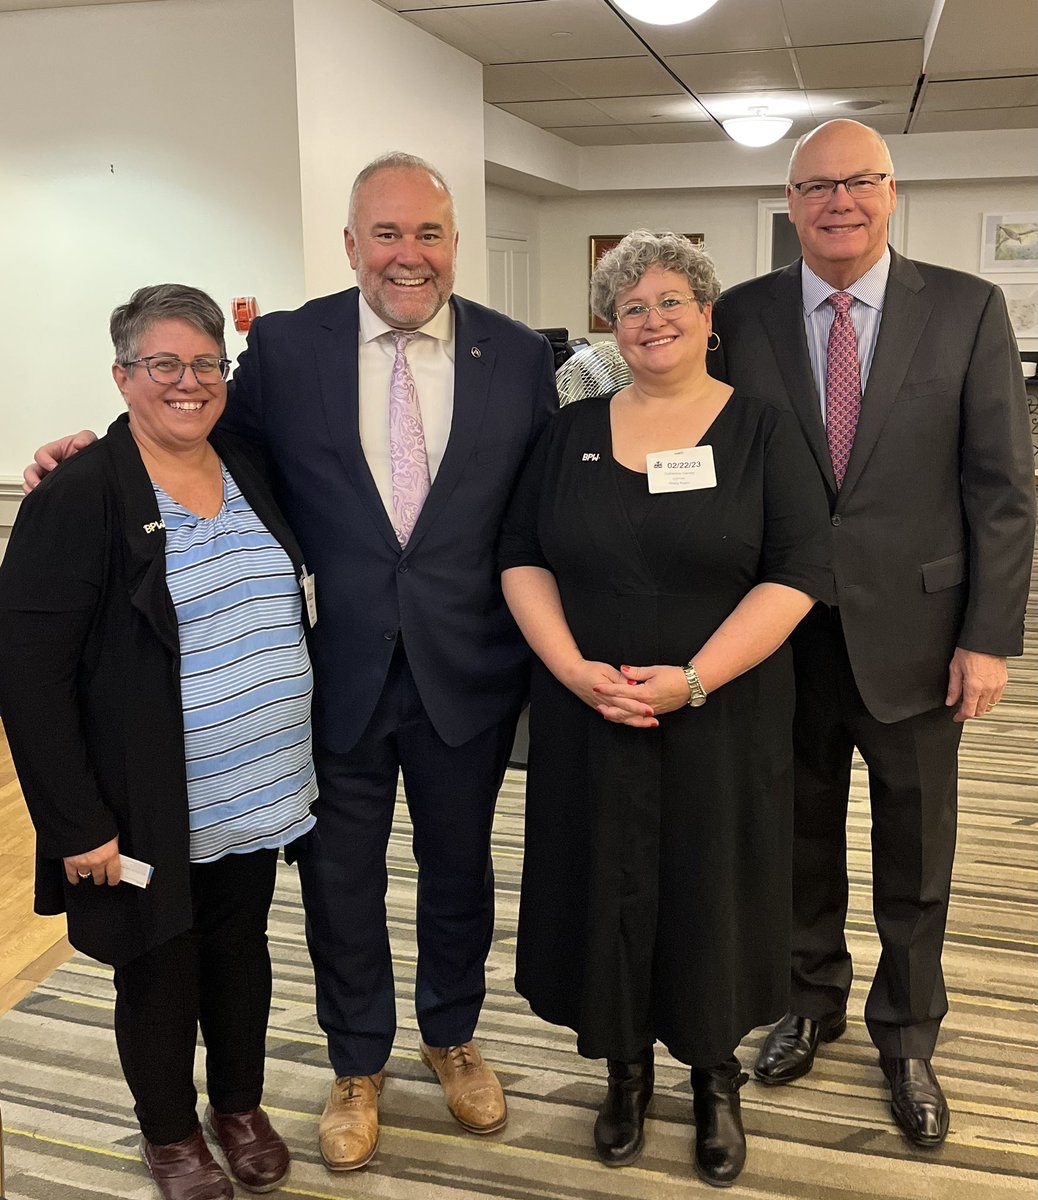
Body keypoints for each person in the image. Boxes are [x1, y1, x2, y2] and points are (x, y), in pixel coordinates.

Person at [24, 152, 558, 1171]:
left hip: (469, 676)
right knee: (339, 888)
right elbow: (191, 428)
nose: (409, 256)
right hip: (333, 682)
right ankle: (357, 1062)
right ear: (352, 245)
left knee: (460, 874)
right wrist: (85, 455)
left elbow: (545, 511)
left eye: (429, 234)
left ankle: (451, 1036)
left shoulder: (517, 358)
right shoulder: (287, 347)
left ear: (455, 245)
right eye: (387, 235)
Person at [710, 119, 1035, 1148]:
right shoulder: (743, 315)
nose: (838, 201)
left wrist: (989, 637)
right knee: (797, 837)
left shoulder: (969, 308)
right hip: (783, 634)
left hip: (923, 637)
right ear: (791, 202)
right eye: (816, 186)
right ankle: (810, 1001)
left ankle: (907, 1035)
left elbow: (1003, 490)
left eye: (858, 182)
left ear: (892, 192)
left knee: (917, 848)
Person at [499, 231, 832, 1185]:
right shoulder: (568, 434)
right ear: (613, 324)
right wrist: (569, 669)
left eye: (670, 302)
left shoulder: (764, 432)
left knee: (711, 884)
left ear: (706, 315)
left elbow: (798, 573)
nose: (652, 321)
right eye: (631, 306)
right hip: (588, 710)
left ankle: (715, 1077)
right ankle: (625, 1070)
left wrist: (693, 680)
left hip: (720, 714)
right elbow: (520, 554)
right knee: (602, 879)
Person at [0, 285, 319, 1200]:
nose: (189, 382)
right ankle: (171, 1133)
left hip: (258, 792)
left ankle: (240, 1106)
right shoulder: (81, 493)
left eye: (206, 364)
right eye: (163, 365)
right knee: (158, 972)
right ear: (122, 376)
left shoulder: (247, 463)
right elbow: (28, 674)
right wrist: (75, 824)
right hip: (146, 806)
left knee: (240, 955)